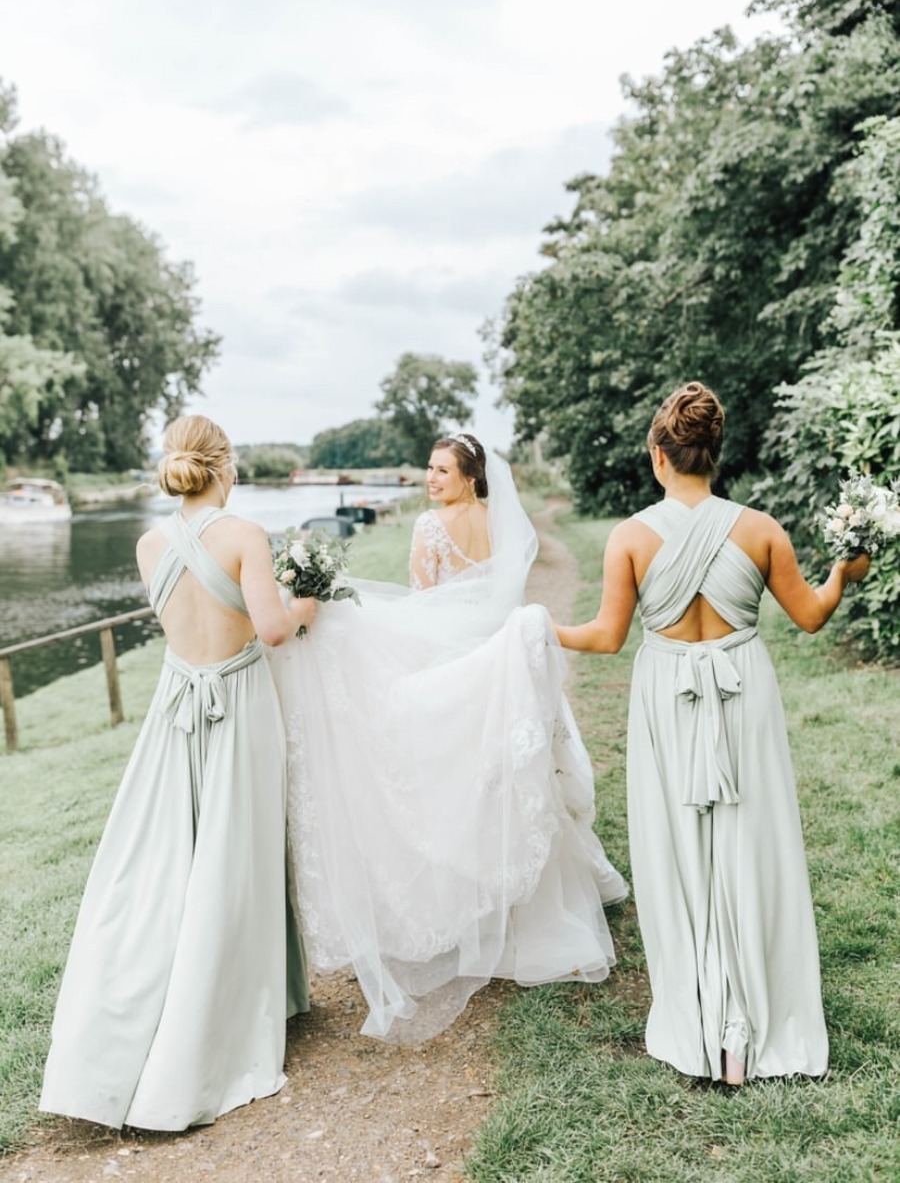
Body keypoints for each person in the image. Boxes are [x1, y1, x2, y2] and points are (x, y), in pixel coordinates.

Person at [554, 382, 870, 1084]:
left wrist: (539, 628)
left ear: (658, 456)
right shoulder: (760, 529)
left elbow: (606, 638)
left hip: (669, 695)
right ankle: (749, 1028)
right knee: (750, 840)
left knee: (678, 848)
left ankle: (700, 1023)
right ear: (713, 455)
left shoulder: (631, 535)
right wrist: (845, 570)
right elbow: (813, 615)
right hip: (741, 690)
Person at [268, 433, 627, 1044]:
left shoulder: (430, 528)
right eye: (428, 470)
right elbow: (502, 597)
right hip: (504, 666)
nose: (430, 479)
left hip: (459, 666)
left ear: (469, 476)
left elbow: (424, 606)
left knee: (458, 781)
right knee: (515, 778)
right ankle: (523, 906)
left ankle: (473, 905)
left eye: (441, 470)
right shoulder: (505, 523)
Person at [40, 415, 314, 1131]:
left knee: (168, 858)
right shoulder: (246, 535)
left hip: (174, 706)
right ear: (226, 466)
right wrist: (307, 603)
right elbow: (274, 628)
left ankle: (151, 1007)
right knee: (235, 849)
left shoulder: (148, 542)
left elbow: (180, 620)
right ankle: (226, 1016)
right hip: (237, 704)